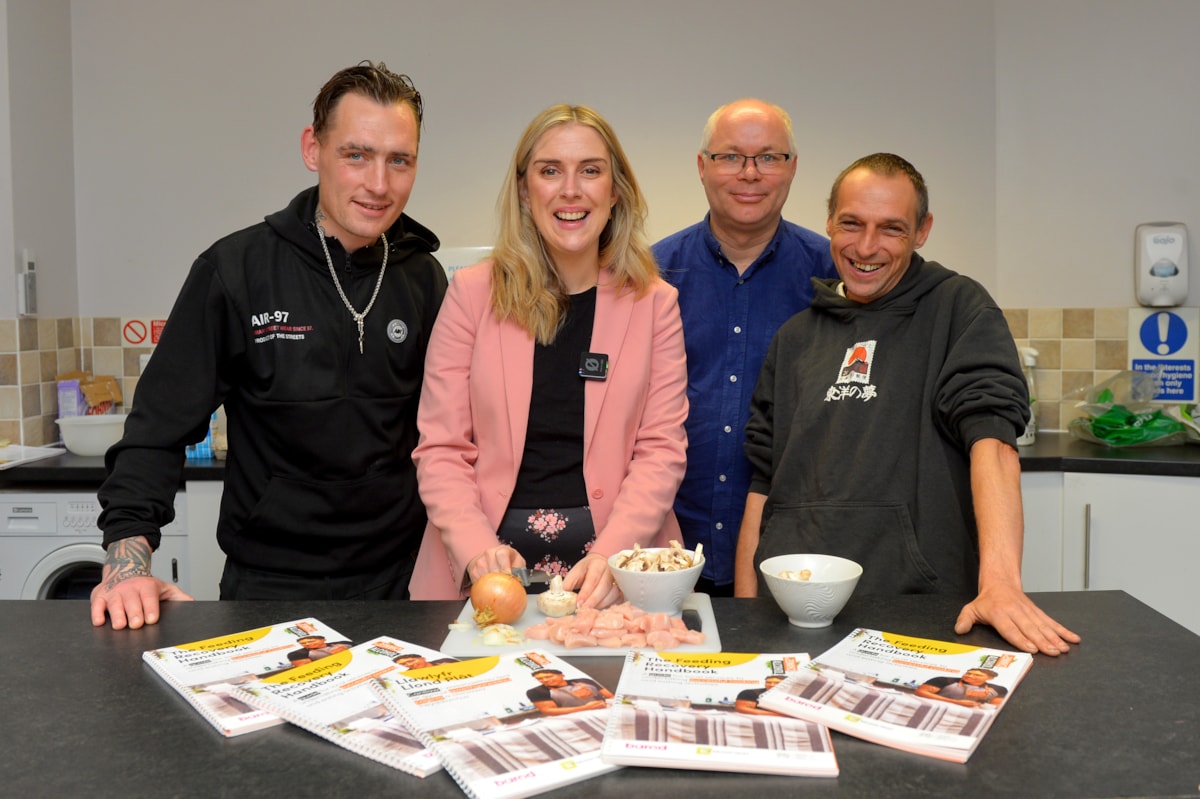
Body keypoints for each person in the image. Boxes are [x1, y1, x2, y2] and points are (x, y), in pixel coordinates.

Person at [91, 62, 448, 629]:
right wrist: (126, 562)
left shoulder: (423, 278)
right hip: (266, 587)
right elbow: (157, 429)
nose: (379, 184)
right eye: (356, 155)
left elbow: (451, 435)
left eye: (399, 160)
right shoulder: (236, 270)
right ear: (313, 149)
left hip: (403, 582)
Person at [733, 153, 1080, 657]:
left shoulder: (959, 309)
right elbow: (762, 485)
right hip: (793, 614)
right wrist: (746, 613)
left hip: (918, 613)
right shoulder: (795, 338)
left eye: (891, 228)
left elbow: (994, 443)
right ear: (829, 221)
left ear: (922, 231)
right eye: (851, 223)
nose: (865, 247)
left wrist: (1002, 584)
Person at [408, 104, 687, 610]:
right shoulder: (471, 294)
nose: (570, 190)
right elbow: (442, 448)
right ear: (524, 189)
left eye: (591, 171)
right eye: (550, 170)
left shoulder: (655, 304)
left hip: (620, 569)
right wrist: (478, 550)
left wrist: (614, 555)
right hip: (487, 571)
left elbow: (660, 451)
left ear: (616, 190)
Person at [653, 99, 835, 596]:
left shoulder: (833, 276)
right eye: (730, 156)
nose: (749, 173)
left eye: (769, 157)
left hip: (797, 554)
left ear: (792, 168)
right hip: (666, 550)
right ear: (702, 166)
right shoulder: (650, 275)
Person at [525, 668, 613, 716]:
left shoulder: (584, 681)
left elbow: (610, 696)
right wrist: (585, 708)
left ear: (562, 675)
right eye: (540, 679)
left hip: (604, 710)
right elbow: (548, 710)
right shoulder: (536, 691)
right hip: (573, 716)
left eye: (548, 677)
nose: (544, 680)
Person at [915, 668, 1008, 707]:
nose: (970, 676)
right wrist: (957, 702)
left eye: (977, 675)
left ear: (990, 678)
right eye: (968, 673)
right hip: (935, 706)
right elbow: (920, 692)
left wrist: (983, 700)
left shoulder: (998, 689)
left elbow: (996, 706)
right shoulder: (945, 680)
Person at [287, 635, 353, 666]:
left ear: (323, 640)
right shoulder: (297, 654)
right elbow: (307, 669)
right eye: (303, 643)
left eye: (311, 641)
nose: (307, 644)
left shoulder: (344, 643)